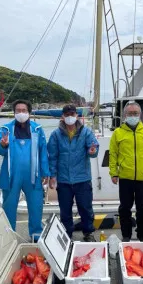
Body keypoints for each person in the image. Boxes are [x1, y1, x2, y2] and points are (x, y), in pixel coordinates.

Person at [0, 99, 49, 241]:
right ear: (14, 113)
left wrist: (45, 172)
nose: (21, 113)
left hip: (33, 175)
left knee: (36, 207)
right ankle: (9, 237)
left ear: (29, 112)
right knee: (9, 207)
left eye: (24, 110)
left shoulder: (37, 129)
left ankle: (36, 236)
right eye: (18, 111)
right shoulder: (5, 130)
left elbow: (43, 152)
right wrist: (3, 145)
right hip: (12, 175)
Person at [47, 104, 99, 242]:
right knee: (65, 210)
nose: (70, 117)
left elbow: (93, 148)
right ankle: (67, 233)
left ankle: (88, 233)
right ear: (62, 117)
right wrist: (52, 176)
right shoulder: (55, 135)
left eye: (72, 114)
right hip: (63, 180)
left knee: (86, 208)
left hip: (82, 178)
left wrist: (93, 151)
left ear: (77, 116)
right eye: (67, 114)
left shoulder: (86, 132)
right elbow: (52, 157)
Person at [109, 101, 143, 242]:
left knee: (142, 208)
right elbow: (113, 155)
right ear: (124, 115)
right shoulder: (118, 133)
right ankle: (126, 235)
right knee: (125, 208)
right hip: (125, 177)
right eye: (130, 113)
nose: (132, 116)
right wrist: (114, 173)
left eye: (135, 113)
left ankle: (142, 234)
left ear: (140, 115)